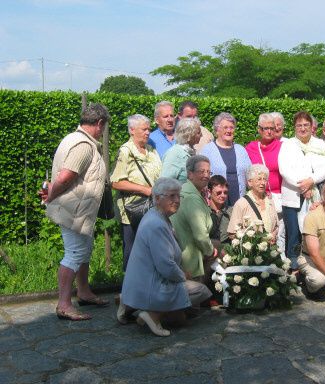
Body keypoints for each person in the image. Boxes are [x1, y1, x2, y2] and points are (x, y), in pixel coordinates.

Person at [42, 103, 111, 321]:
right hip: (74, 211)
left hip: (80, 210)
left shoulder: (74, 138)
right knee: (74, 254)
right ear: (99, 123)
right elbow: (65, 177)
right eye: (103, 127)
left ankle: (83, 292)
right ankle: (63, 304)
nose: (103, 131)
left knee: (84, 251)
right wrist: (51, 194)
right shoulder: (83, 145)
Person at [118, 177, 212, 336]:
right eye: (171, 196)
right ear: (157, 199)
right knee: (201, 291)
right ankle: (152, 315)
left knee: (180, 318)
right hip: (151, 283)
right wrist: (182, 275)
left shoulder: (157, 217)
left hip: (146, 280)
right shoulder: (157, 224)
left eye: (178, 196)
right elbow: (166, 266)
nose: (176, 200)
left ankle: (131, 303)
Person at [278, 111, 325, 270]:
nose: (302, 128)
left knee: (314, 232)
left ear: (312, 126)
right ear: (294, 127)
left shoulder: (319, 144)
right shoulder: (288, 144)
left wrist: (311, 181)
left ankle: (315, 267)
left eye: (306, 125)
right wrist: (302, 186)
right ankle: (293, 268)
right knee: (293, 233)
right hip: (293, 195)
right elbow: (284, 169)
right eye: (299, 125)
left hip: (315, 195)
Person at [111, 114, 162, 271]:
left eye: (149, 129)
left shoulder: (152, 151)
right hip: (133, 210)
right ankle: (129, 289)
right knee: (132, 250)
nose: (148, 132)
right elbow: (115, 182)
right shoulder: (126, 151)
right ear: (132, 130)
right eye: (144, 129)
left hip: (153, 208)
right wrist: (145, 190)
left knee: (152, 249)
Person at [171, 155, 217, 282]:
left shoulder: (184, 192)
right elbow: (200, 235)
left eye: (208, 172)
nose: (206, 175)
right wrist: (211, 251)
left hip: (180, 254)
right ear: (190, 174)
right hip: (190, 261)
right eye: (201, 171)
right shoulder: (192, 198)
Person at [245, 114, 284, 249]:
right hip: (259, 198)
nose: (269, 131)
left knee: (279, 234)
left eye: (272, 128)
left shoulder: (283, 147)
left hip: (278, 198)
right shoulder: (251, 147)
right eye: (265, 128)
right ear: (259, 129)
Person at [200, 112, 252, 206]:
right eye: (225, 127)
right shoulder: (207, 150)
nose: (229, 130)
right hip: (216, 204)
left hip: (239, 202)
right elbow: (201, 177)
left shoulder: (241, 149)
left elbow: (250, 174)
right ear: (217, 130)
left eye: (231, 127)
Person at [227, 164, 279, 240]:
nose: (263, 182)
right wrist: (251, 242)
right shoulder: (241, 203)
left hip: (270, 249)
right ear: (250, 182)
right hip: (252, 250)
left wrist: (273, 236)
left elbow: (276, 226)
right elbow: (232, 233)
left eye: (264, 179)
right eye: (259, 179)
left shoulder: (269, 200)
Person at [161, 117, 202, 183]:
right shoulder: (174, 154)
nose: (201, 135)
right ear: (189, 134)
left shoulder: (191, 152)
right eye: (198, 132)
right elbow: (164, 183)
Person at [208, 175, 232, 249]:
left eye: (225, 192)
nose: (223, 195)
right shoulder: (203, 212)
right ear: (209, 192)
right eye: (218, 193)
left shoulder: (232, 212)